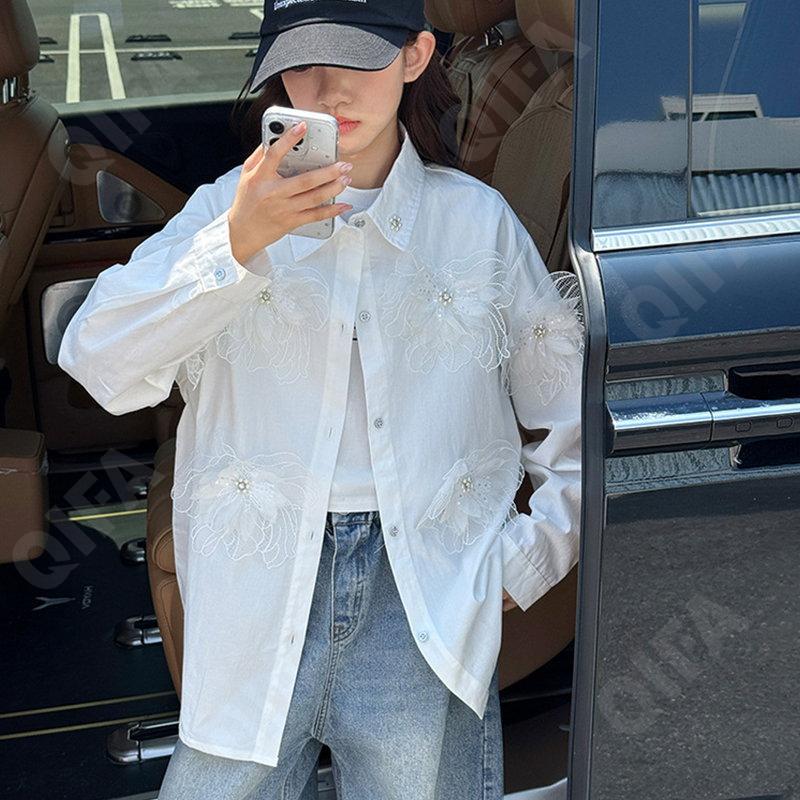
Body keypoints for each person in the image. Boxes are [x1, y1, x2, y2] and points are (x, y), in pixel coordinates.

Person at [56, 0, 586, 797]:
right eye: (302, 64)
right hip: (255, 584)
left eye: (358, 58)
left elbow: (570, 416)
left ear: (415, 57)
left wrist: (524, 561)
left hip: (425, 589)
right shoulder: (223, 212)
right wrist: (235, 244)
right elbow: (98, 362)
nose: (331, 89)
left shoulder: (475, 223)